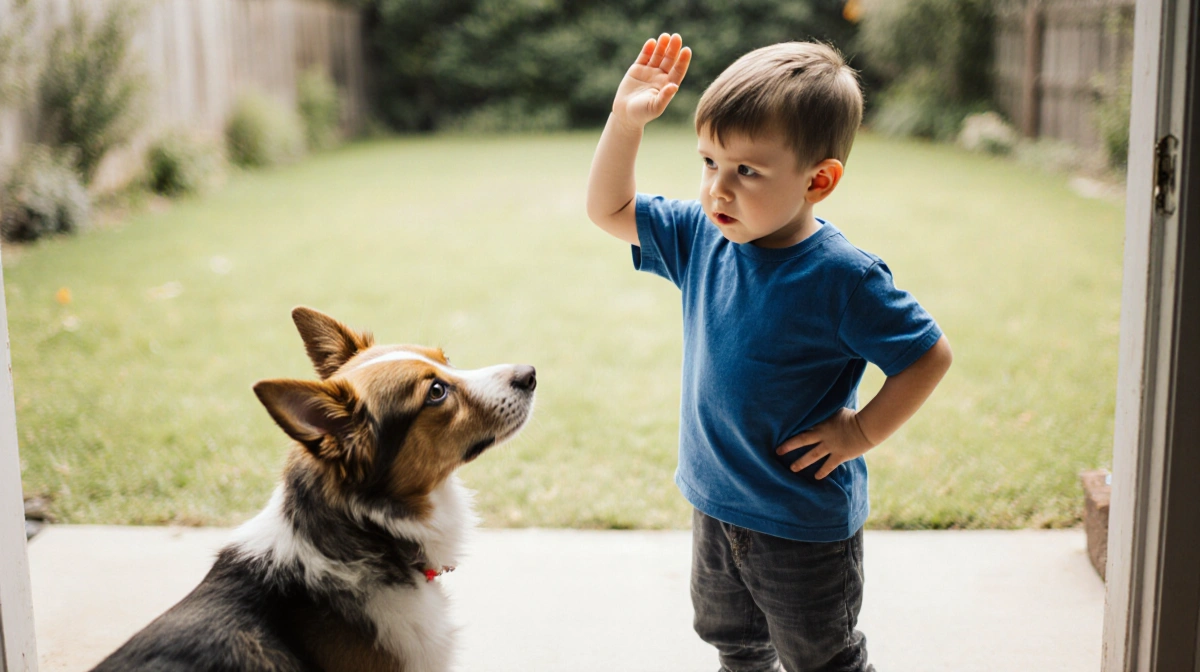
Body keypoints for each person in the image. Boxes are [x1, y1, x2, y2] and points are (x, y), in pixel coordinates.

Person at [585, 34, 954, 672]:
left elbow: (928, 355)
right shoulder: (703, 236)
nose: (717, 190)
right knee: (732, 640)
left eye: (746, 171)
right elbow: (609, 208)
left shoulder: (844, 278)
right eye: (708, 162)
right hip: (717, 501)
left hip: (800, 520)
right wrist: (624, 121)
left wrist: (859, 430)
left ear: (820, 180)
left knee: (821, 655)